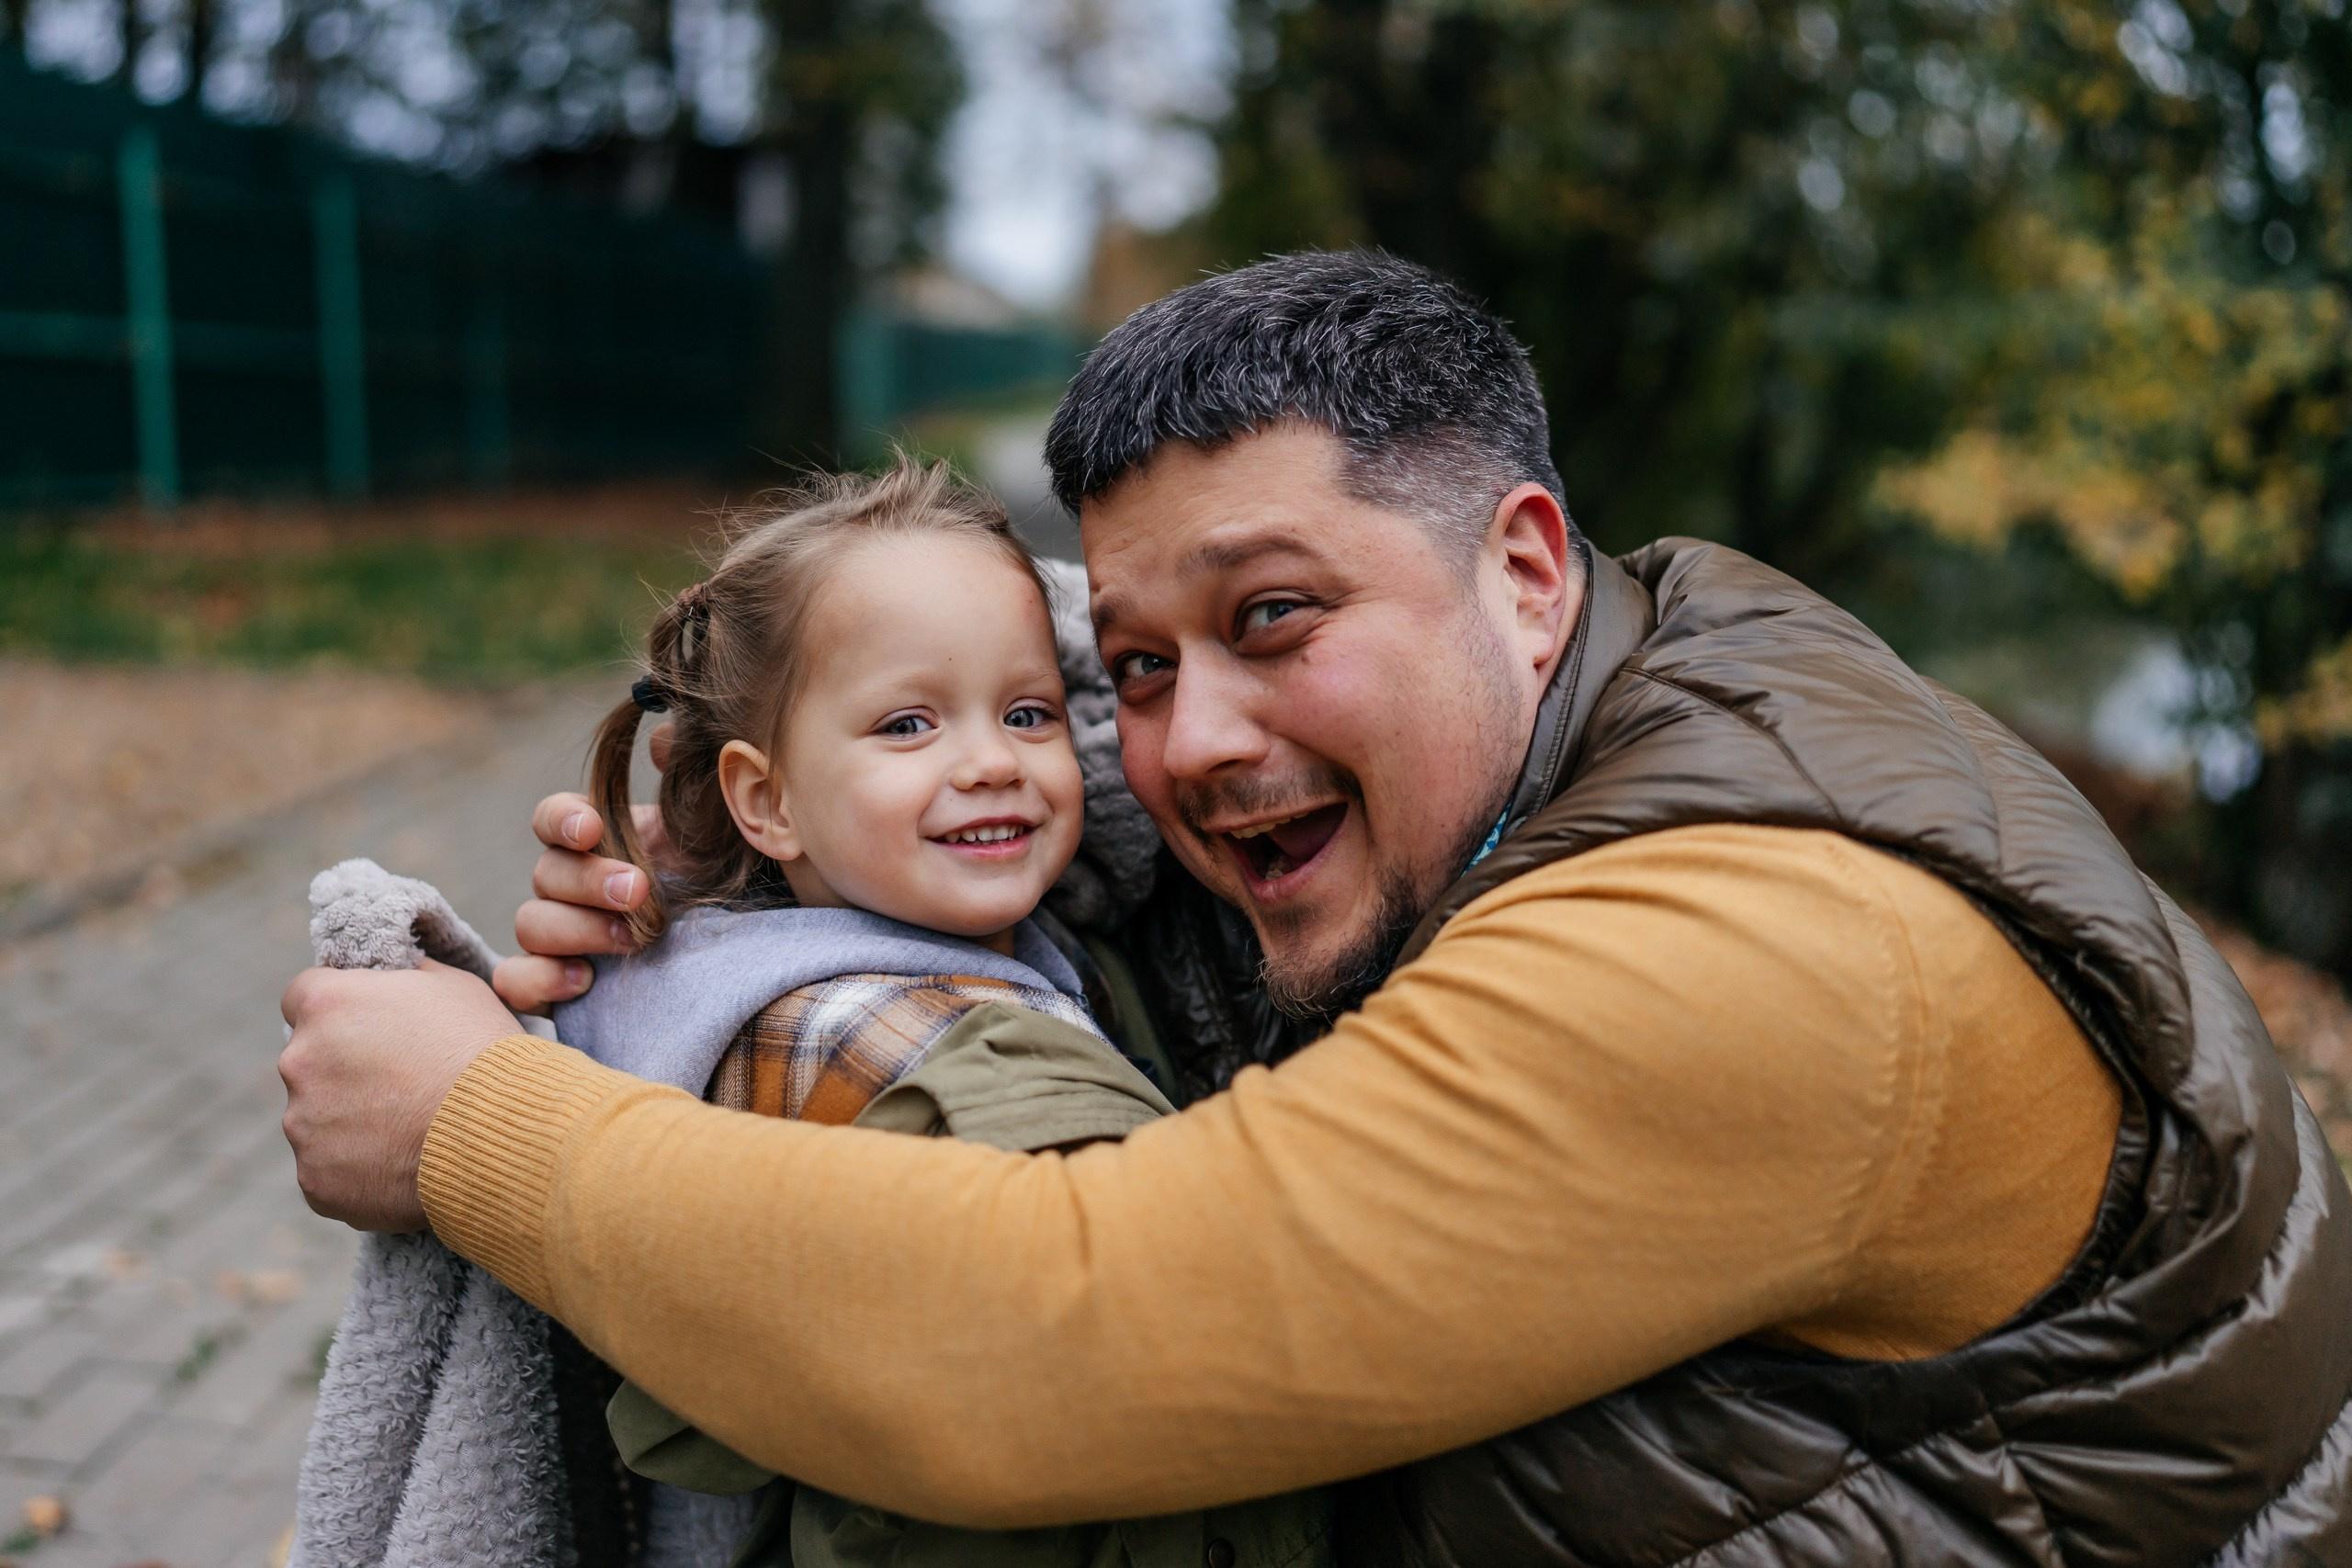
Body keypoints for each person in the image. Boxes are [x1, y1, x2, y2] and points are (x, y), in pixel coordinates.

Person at [281, 251, 2352, 1565]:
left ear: (1522, 568)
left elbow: (1061, 1328)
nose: (1184, 743)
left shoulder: (1754, 949)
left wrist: (477, 1122)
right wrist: (770, 879)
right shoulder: (1581, 717)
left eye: (1274, 617)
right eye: (1134, 668)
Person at [506, 458, 1331, 1566]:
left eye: (1029, 712)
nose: (991, 763)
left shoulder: (753, 959)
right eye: (906, 725)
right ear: (767, 800)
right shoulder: (910, 1055)